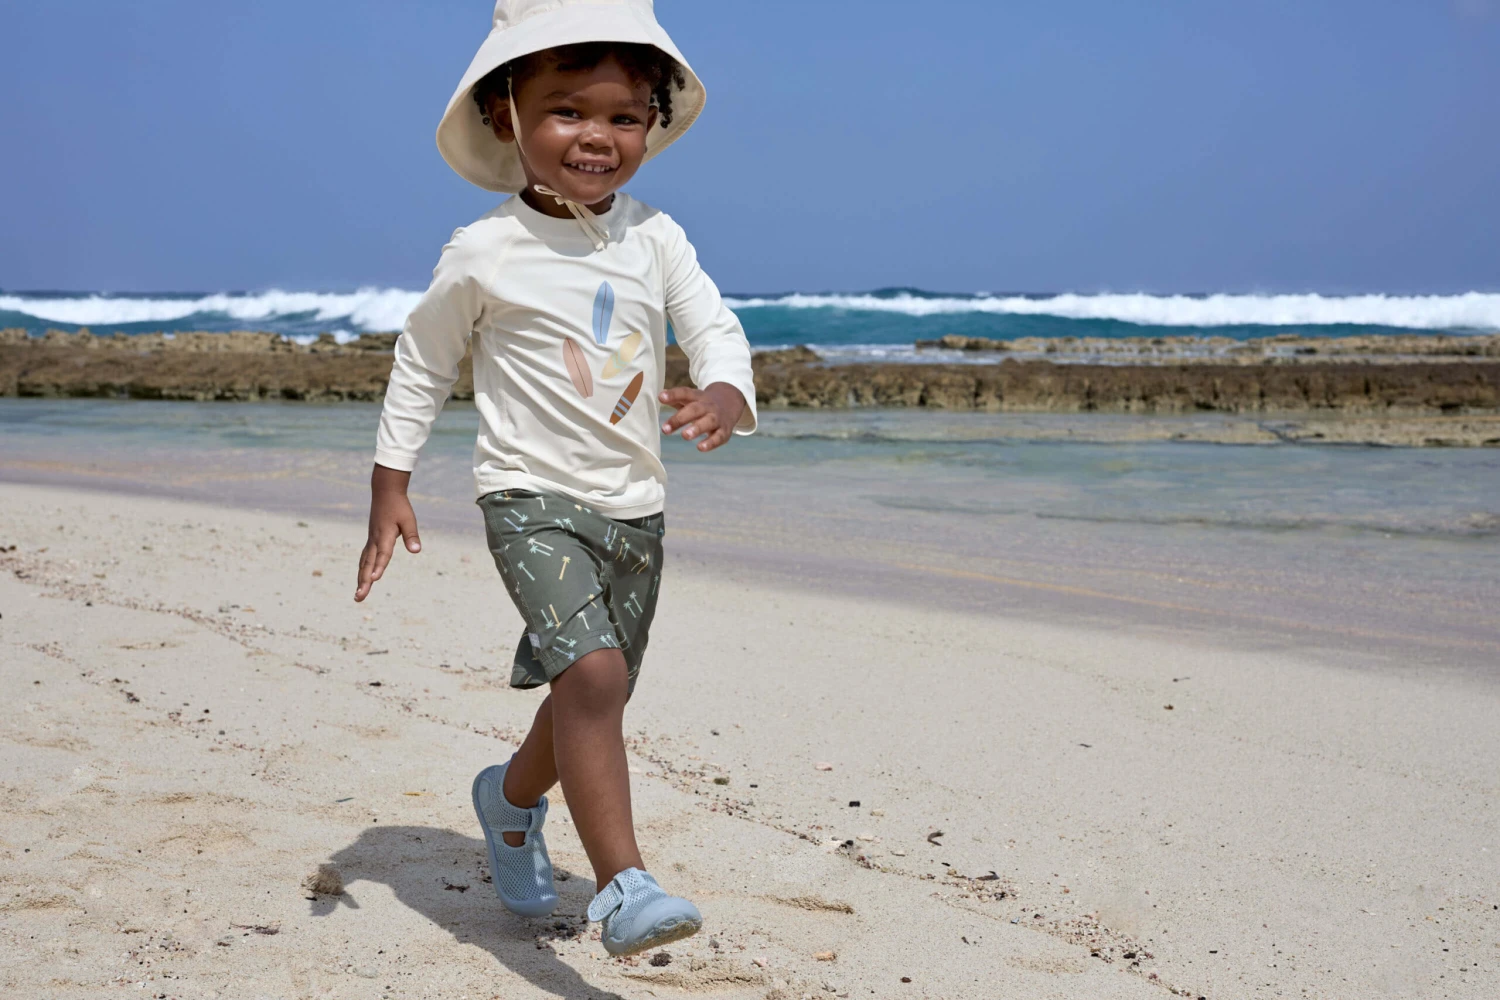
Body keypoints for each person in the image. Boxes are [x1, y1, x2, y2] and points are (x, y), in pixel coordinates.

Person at [352, 0, 756, 958]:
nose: (597, 137)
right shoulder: (486, 250)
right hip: (527, 496)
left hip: (635, 506)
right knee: (595, 672)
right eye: (567, 111)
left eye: (623, 117)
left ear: (651, 125)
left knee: (592, 696)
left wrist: (730, 391)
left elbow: (712, 327)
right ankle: (625, 885)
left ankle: (512, 796)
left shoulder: (656, 237)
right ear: (507, 114)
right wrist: (389, 483)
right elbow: (422, 363)